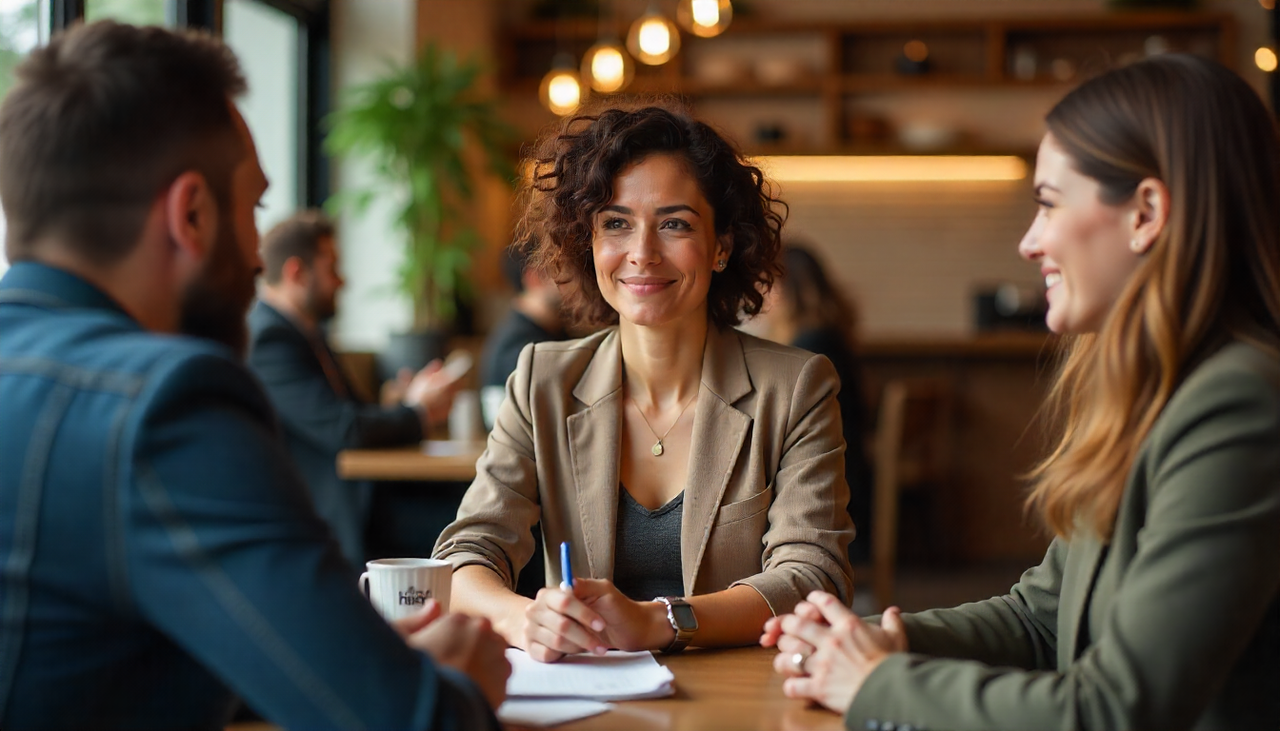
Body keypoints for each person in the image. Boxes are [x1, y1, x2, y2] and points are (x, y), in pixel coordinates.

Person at [0, 21, 508, 730]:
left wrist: (343, 654)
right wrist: (457, 682)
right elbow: (410, 722)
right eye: (253, 208)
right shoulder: (165, 405)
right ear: (192, 214)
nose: (256, 260)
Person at [763, 54, 1280, 730]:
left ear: (1147, 212)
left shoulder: (1236, 405)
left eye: (1047, 203)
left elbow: (1116, 709)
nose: (1029, 241)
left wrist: (878, 682)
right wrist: (874, 640)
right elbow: (1040, 616)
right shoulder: (1153, 393)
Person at [434, 104, 856, 663]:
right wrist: (524, 617)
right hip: (589, 699)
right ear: (586, 240)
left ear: (722, 245)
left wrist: (659, 620)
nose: (642, 253)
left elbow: (813, 577)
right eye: (615, 223)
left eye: (675, 224)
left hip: (741, 697)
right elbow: (468, 552)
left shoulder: (797, 386)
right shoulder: (543, 378)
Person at [248, 210, 462, 567]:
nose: (342, 281)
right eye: (331, 267)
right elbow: (344, 429)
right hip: (339, 515)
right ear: (296, 273)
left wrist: (400, 402)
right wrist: (419, 413)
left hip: (369, 498)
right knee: (475, 527)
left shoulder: (304, 332)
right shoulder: (270, 340)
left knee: (476, 509)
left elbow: (346, 414)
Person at [759, 244, 874, 563]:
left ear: (787, 289)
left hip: (831, 489)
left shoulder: (811, 348)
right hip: (849, 477)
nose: (762, 300)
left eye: (767, 285)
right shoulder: (829, 336)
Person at [479, 242, 565, 390]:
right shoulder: (518, 346)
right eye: (558, 266)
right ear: (535, 277)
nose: (571, 276)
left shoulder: (549, 332)